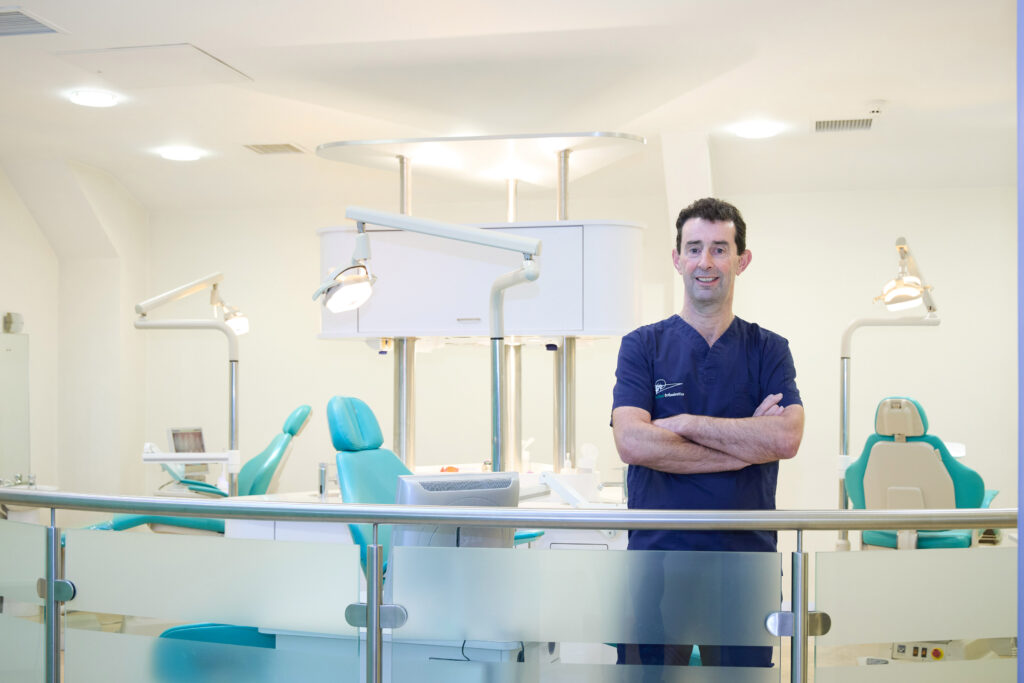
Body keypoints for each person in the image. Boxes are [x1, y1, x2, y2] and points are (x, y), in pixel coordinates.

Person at [611, 197, 804, 668]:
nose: (706, 262)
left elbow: (785, 439)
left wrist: (686, 425)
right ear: (677, 259)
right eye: (694, 248)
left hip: (744, 560)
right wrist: (745, 446)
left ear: (742, 260)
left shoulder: (768, 349)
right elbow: (632, 442)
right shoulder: (642, 346)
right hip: (657, 560)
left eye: (720, 249)